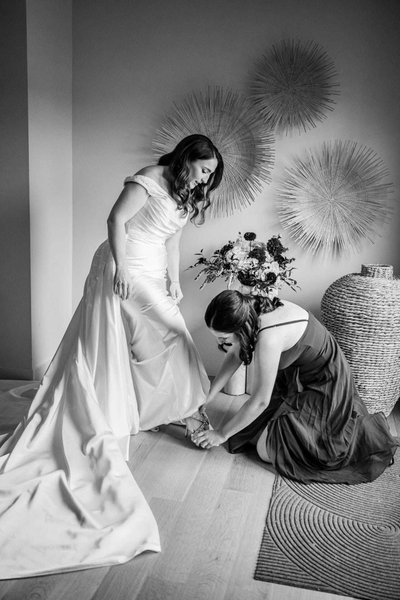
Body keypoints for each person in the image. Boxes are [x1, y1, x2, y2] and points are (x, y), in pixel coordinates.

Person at [0, 134, 224, 578]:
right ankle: (192, 412)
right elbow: (115, 219)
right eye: (204, 170)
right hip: (122, 265)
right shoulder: (149, 179)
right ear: (187, 158)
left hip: (151, 268)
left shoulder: (185, 192)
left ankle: (177, 409)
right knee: (174, 336)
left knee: (160, 340)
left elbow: (172, 242)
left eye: (211, 175)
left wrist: (173, 282)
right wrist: (120, 267)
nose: (206, 179)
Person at [192, 289, 398, 484]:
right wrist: (207, 397)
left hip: (326, 385)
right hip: (299, 376)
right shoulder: (248, 310)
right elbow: (234, 354)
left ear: (241, 328)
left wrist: (220, 434)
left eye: (224, 338)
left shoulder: (269, 337)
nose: (220, 343)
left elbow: (260, 401)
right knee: (256, 434)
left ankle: (356, 436)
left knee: (265, 450)